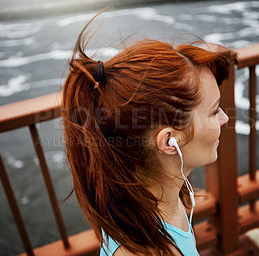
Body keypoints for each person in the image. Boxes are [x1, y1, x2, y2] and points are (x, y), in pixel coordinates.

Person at [61, 10, 231, 256]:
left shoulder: (154, 201)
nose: (225, 118)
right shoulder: (147, 250)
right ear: (169, 142)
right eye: (214, 111)